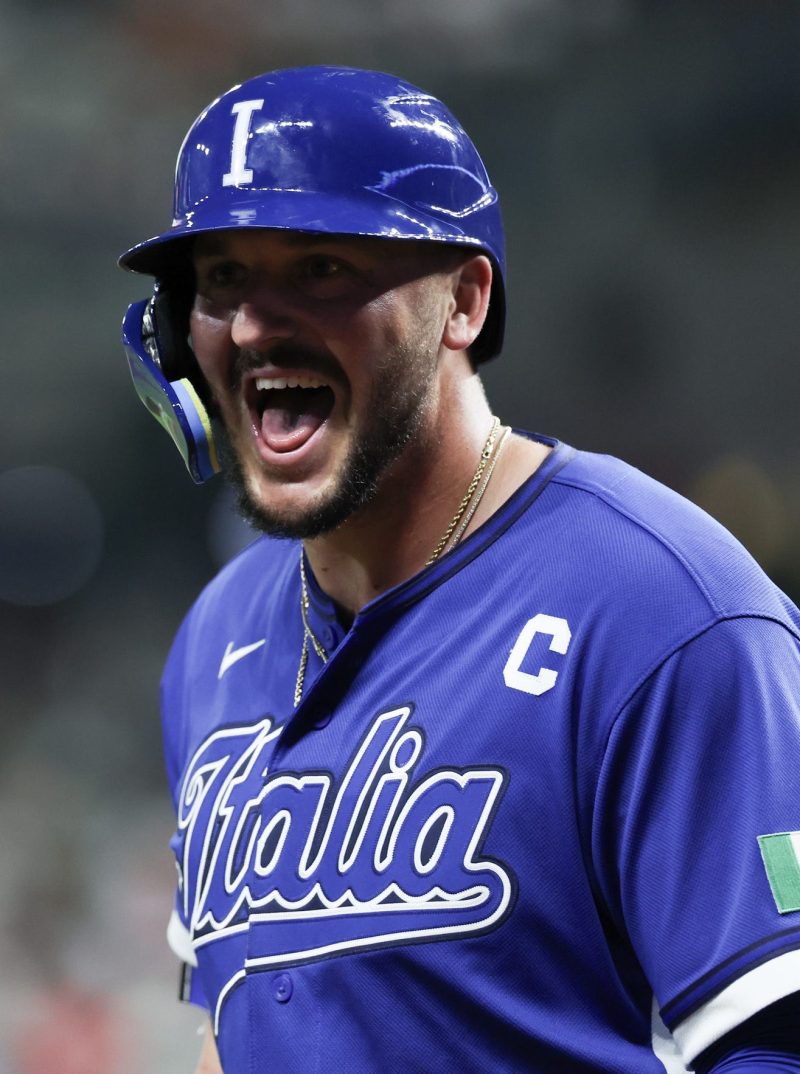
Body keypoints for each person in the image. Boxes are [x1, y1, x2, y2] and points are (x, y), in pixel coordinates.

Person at [119, 66, 800, 1074]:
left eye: (320, 268)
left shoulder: (662, 609)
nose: (255, 325)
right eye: (222, 279)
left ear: (463, 301)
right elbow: (233, 1029)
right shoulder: (217, 632)